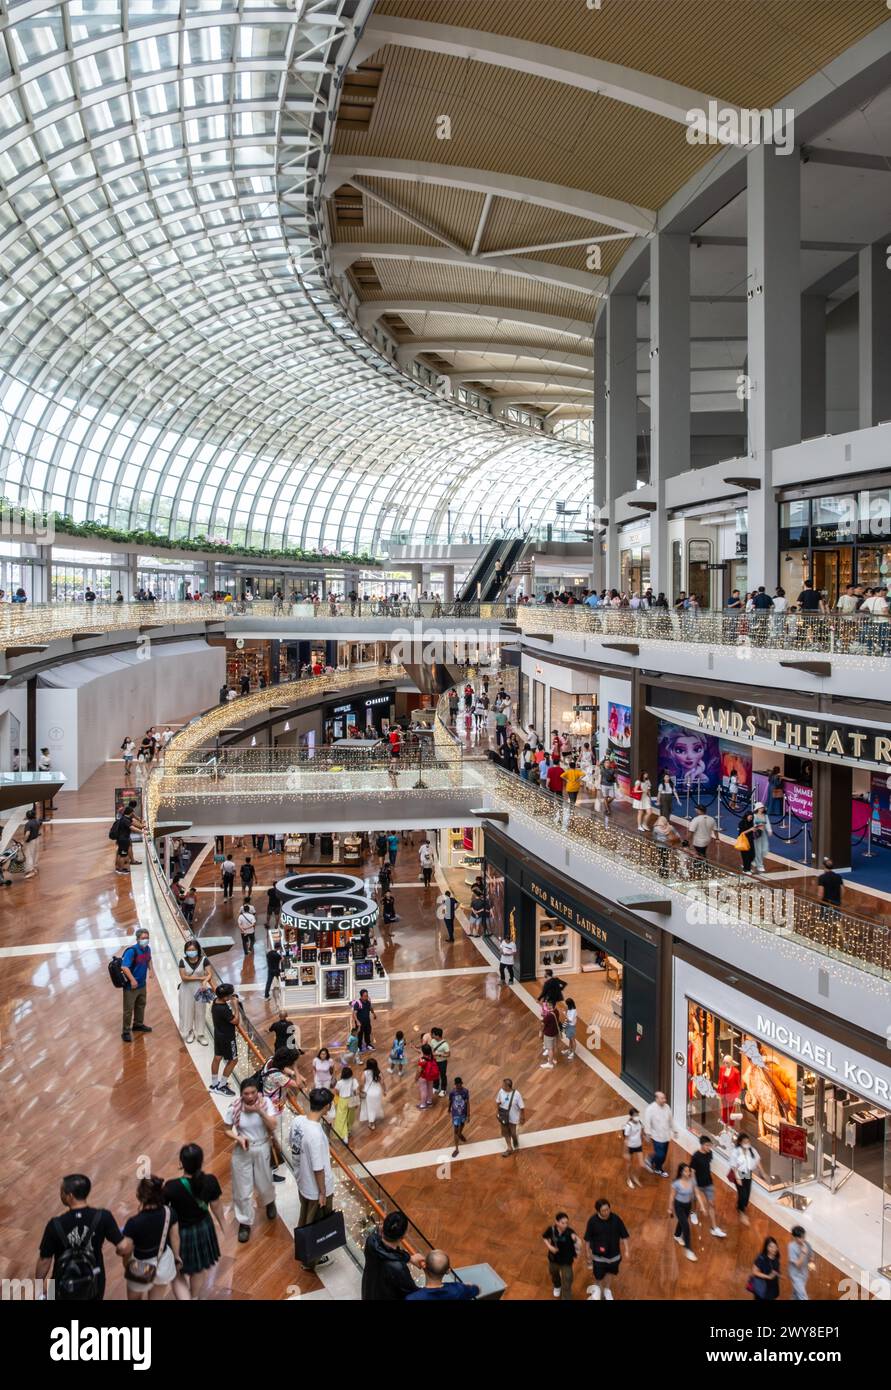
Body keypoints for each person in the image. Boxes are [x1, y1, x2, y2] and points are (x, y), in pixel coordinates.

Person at [36, 1174, 132, 1302]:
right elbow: (123, 1246)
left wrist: (38, 1286)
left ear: (70, 1196)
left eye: (62, 1192)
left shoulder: (55, 1224)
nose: (61, 1195)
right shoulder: (103, 1217)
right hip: (94, 1280)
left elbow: (44, 1261)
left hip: (63, 1283)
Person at [164, 1144, 224, 1300]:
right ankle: (195, 1297)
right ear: (201, 1162)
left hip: (179, 1232)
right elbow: (216, 1206)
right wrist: (223, 1226)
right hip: (203, 1229)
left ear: (181, 1163)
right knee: (198, 1269)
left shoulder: (171, 1187)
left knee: (177, 1269)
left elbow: (163, 1212)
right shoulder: (210, 1181)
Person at [226, 1077, 277, 1243]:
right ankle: (244, 1222)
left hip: (262, 1146)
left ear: (258, 1091)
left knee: (265, 1181)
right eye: (246, 1093)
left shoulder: (266, 1103)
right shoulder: (235, 1107)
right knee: (242, 1188)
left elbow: (273, 1125)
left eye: (253, 1092)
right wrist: (238, 1138)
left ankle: (269, 1201)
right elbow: (226, 1129)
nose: (250, 1096)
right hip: (243, 1149)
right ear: (241, 1094)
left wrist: (259, 1111)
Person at [290, 1087, 335, 1271]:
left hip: (303, 1181)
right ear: (327, 1106)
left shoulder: (298, 1121)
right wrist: (323, 1193)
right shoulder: (316, 1134)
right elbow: (319, 1168)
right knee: (316, 1225)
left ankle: (305, 1252)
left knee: (306, 1219)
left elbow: (293, 1147)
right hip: (317, 1189)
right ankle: (311, 1260)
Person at [121, 1175, 181, 1301]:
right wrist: (176, 1256)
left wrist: (126, 1263)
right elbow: (175, 1237)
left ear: (140, 1196)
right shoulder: (170, 1212)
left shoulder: (134, 1222)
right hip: (163, 1262)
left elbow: (126, 1249)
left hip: (140, 1266)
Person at [361, 1210, 426, 1300]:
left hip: (369, 1293)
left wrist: (410, 1258)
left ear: (383, 1227)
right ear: (403, 1237)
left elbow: (388, 1252)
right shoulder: (399, 1268)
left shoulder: (371, 1241)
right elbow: (413, 1293)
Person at [583, 1198, 630, 1301]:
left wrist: (626, 1249)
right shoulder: (592, 1221)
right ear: (598, 1211)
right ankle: (598, 1293)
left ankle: (607, 1290)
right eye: (604, 1210)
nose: (607, 1212)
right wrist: (587, 1252)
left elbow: (624, 1235)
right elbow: (587, 1239)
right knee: (598, 1277)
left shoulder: (616, 1219)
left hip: (614, 1256)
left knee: (610, 1273)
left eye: (608, 1209)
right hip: (598, 1257)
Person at [120, 927, 153, 1043]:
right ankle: (125, 1031)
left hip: (142, 985)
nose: (146, 940)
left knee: (141, 1004)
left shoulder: (147, 949)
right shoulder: (131, 951)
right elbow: (124, 967)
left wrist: (151, 970)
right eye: (143, 938)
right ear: (138, 939)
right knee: (128, 1009)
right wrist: (133, 980)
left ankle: (138, 1024)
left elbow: (149, 959)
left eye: (147, 938)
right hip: (131, 987)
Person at [405, 1249, 479, 1301]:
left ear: (424, 1265)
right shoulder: (458, 1289)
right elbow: (477, 1289)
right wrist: (466, 1286)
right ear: (448, 1271)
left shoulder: (412, 1298)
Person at [690, 1135, 726, 1238]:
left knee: (712, 1203)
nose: (709, 1147)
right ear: (701, 1145)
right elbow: (692, 1171)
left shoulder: (710, 1153)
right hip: (697, 1183)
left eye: (710, 1145)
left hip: (708, 1183)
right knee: (694, 1200)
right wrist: (694, 1185)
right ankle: (693, 1212)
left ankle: (714, 1228)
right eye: (707, 1145)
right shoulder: (696, 1156)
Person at [177, 937, 211, 1044]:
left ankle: (200, 1034)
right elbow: (184, 977)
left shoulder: (204, 960)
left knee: (200, 1011)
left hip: (200, 989)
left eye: (193, 949)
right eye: (189, 950)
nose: (191, 952)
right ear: (186, 951)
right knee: (187, 1010)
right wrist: (201, 978)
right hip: (186, 989)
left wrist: (205, 981)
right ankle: (189, 1032)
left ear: (198, 949)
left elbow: (209, 973)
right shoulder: (182, 961)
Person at [669, 1162, 704, 1261]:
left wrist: (702, 1206)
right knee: (686, 1226)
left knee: (682, 1221)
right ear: (681, 1172)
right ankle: (688, 1250)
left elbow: (697, 1194)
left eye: (689, 1171)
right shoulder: (676, 1183)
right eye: (686, 1171)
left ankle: (676, 1235)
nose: (688, 1173)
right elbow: (672, 1196)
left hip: (687, 1205)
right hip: (678, 1205)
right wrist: (670, 1208)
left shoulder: (692, 1181)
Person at [542, 1212, 581, 1300]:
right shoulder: (551, 1230)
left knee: (567, 1279)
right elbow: (544, 1237)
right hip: (554, 1259)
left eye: (567, 1223)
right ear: (556, 1222)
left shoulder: (570, 1232)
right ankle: (557, 1285)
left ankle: (566, 1297)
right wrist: (550, 1246)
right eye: (563, 1223)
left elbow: (577, 1241)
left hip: (566, 1261)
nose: (565, 1225)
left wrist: (576, 1240)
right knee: (554, 1273)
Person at [209, 982, 239, 1095]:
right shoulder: (223, 1009)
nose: (232, 996)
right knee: (233, 1060)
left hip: (218, 1034)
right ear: (226, 997)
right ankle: (222, 1086)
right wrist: (235, 1006)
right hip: (228, 1037)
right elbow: (236, 1021)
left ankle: (214, 1084)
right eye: (231, 995)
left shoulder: (215, 1002)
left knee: (217, 1057)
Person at [731, 1132, 764, 1225]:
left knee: (747, 1194)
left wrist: (762, 1172)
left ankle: (740, 1206)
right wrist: (737, 1178)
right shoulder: (736, 1152)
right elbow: (734, 1166)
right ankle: (742, 1212)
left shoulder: (752, 1150)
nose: (747, 1143)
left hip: (748, 1174)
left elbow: (757, 1161)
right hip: (739, 1174)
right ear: (740, 1142)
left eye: (748, 1141)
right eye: (745, 1141)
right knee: (743, 1194)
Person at [643, 1090, 674, 1176]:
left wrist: (674, 1130)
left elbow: (671, 1120)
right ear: (657, 1099)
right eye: (662, 1098)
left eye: (664, 1098)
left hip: (666, 1136)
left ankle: (657, 1167)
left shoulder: (667, 1107)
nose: (664, 1100)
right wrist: (648, 1134)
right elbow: (647, 1123)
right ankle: (651, 1160)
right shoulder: (650, 1109)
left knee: (664, 1156)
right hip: (656, 1137)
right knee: (660, 1155)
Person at [496, 1077, 524, 1155]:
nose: (502, 1086)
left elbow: (522, 1107)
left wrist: (522, 1117)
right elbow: (498, 1102)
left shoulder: (517, 1094)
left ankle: (515, 1141)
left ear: (508, 1086)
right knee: (505, 1132)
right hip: (503, 1116)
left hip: (513, 1117)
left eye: (503, 1085)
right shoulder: (501, 1091)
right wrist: (497, 1112)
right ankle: (509, 1148)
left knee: (513, 1133)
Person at [333, 1065, 360, 1140]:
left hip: (343, 1100)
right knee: (350, 1116)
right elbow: (357, 1092)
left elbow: (336, 1092)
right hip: (351, 1099)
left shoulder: (339, 1082)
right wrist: (357, 1101)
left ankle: (344, 1135)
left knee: (342, 1117)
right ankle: (348, 1130)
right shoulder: (354, 1081)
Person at [622, 1107, 645, 1187]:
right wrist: (625, 1152)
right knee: (629, 1164)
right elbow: (626, 1139)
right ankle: (628, 1179)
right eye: (635, 1115)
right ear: (631, 1116)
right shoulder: (628, 1126)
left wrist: (644, 1138)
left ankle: (635, 1177)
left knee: (642, 1164)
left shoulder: (640, 1123)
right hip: (630, 1147)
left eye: (637, 1114)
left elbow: (641, 1133)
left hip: (638, 1146)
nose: (637, 1116)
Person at [360, 1057, 386, 1130]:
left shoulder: (365, 1072)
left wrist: (360, 1090)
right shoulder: (379, 1072)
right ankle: (373, 1118)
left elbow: (362, 1082)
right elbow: (382, 1082)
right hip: (377, 1092)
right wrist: (384, 1091)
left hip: (368, 1093)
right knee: (375, 1106)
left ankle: (371, 1123)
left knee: (370, 1107)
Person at [788, 1226, 813, 1300]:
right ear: (795, 1238)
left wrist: (811, 1259)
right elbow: (798, 1265)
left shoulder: (807, 1244)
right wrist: (803, 1253)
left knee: (796, 1295)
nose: (803, 1239)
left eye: (804, 1237)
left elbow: (811, 1257)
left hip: (804, 1274)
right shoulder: (791, 1247)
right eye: (801, 1237)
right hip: (795, 1275)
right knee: (803, 1296)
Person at [448, 1076, 470, 1157]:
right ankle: (456, 1148)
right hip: (455, 1114)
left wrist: (468, 1115)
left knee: (462, 1125)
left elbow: (467, 1103)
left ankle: (460, 1134)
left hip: (463, 1113)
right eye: (457, 1085)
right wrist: (449, 1109)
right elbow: (450, 1101)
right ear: (455, 1085)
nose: (458, 1086)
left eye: (459, 1084)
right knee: (456, 1130)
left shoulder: (465, 1091)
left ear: (461, 1084)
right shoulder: (452, 1092)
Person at [416, 1043, 439, 1110]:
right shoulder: (432, 1057)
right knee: (430, 1088)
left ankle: (423, 1105)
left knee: (423, 1090)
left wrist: (416, 1078)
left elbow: (419, 1070)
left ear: (423, 1051)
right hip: (431, 1076)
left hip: (423, 1076)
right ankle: (429, 1101)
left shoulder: (422, 1059)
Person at [751, 801, 772, 872]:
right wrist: (757, 827)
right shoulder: (754, 816)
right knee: (758, 850)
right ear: (757, 809)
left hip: (763, 835)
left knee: (765, 850)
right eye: (760, 808)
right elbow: (752, 825)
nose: (762, 809)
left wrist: (769, 830)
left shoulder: (765, 816)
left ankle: (754, 861)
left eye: (762, 808)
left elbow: (768, 824)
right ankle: (760, 865)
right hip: (756, 835)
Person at [21, 806, 42, 877]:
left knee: (29, 855)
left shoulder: (28, 824)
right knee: (35, 854)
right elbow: (39, 826)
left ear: (27, 817)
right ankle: (35, 867)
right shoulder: (37, 821)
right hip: (36, 839)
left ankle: (31, 871)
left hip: (30, 841)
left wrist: (23, 841)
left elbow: (27, 834)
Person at [540, 1002, 560, 1069]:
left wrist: (540, 1032)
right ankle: (554, 1059)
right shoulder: (556, 1011)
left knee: (549, 1049)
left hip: (549, 1034)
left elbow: (543, 1024)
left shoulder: (549, 1015)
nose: (547, 1006)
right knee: (554, 1047)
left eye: (548, 1005)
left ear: (551, 1005)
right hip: (555, 1032)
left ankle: (550, 1063)